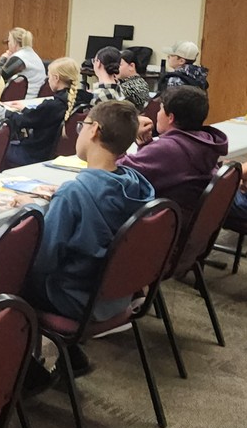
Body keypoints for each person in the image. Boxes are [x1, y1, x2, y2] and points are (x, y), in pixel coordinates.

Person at [15, 100, 155, 385]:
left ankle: (25, 373)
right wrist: (55, 205)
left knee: (6, 281)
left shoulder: (75, 193)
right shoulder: (136, 183)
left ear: (94, 131)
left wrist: (34, 213)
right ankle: (72, 357)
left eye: (82, 125)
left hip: (77, 299)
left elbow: (43, 262)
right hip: (115, 295)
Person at [119, 86, 227, 225]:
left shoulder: (168, 149)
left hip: (163, 228)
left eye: (160, 109)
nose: (157, 114)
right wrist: (146, 146)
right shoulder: (204, 140)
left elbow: (118, 173)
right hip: (186, 223)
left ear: (170, 117)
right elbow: (155, 170)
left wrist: (122, 135)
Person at [4, 57, 84, 168]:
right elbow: (39, 117)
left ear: (56, 78)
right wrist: (24, 109)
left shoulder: (52, 106)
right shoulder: (80, 102)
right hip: (54, 155)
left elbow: (22, 121)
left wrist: (5, 111)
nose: (48, 79)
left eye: (49, 76)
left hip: (34, 155)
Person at [0, 27, 46, 98]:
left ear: (15, 43)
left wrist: (3, 59)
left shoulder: (19, 57)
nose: (8, 44)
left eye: (9, 41)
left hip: (25, 99)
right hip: (35, 97)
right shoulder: (31, 54)